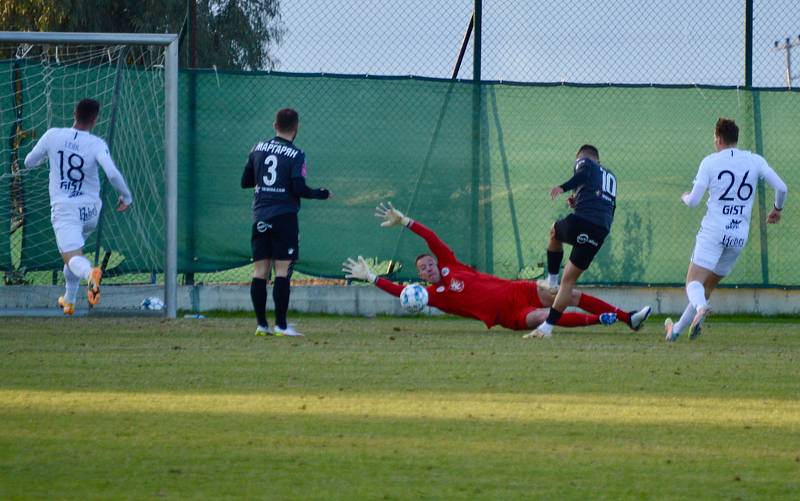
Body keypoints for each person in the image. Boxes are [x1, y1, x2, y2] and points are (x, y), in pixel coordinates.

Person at [342, 202, 652, 333]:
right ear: (421, 279)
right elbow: (398, 291)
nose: (426, 270)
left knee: (567, 294)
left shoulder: (450, 264)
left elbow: (431, 237)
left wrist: (406, 222)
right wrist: (370, 276)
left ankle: (629, 319)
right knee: (545, 317)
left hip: (519, 289)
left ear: (436, 262)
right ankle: (604, 319)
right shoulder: (432, 295)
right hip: (509, 316)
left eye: (428, 264)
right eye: (422, 270)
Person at [665, 118, 787, 341]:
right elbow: (782, 187)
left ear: (718, 139)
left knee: (693, 283)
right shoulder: (754, 160)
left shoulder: (710, 162)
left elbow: (693, 201)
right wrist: (777, 209)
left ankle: (701, 309)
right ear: (736, 139)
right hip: (738, 234)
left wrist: (684, 197)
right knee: (706, 287)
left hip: (714, 231)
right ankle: (675, 332)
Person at [24, 98, 133, 315]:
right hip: (91, 211)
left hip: (66, 209)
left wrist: (46, 159)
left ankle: (90, 275)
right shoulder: (96, 144)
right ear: (95, 119)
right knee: (75, 252)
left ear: (74, 113)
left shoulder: (53, 135)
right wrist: (126, 196)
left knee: (72, 258)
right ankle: (69, 300)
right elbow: (111, 173)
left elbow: (29, 161)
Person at [527, 144, 645, 339]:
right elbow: (607, 205)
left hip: (583, 222)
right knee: (569, 281)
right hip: (600, 231)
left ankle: (551, 280)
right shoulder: (611, 177)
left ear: (582, 158)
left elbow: (581, 176)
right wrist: (579, 202)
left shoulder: (584, 161)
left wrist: (563, 187)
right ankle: (547, 327)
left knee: (554, 231)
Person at [241, 108, 330, 337]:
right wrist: (321, 193)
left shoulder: (257, 148)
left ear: (275, 125)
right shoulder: (296, 154)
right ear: (296, 127)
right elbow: (298, 188)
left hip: (260, 215)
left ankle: (261, 325)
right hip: (284, 217)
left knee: (260, 271)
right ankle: (281, 325)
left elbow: (245, 181)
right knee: (281, 272)